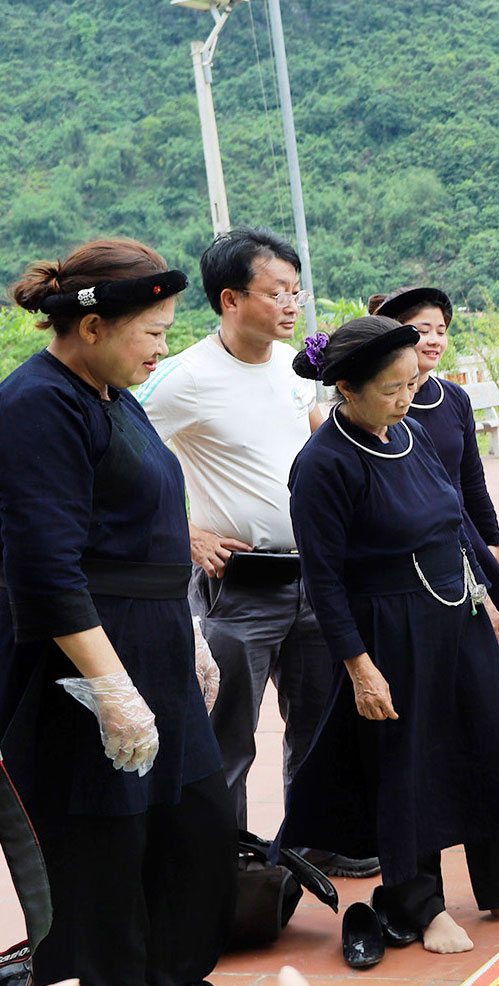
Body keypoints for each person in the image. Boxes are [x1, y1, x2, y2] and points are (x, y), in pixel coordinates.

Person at [278, 317, 499, 959]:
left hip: (456, 614)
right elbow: (323, 582)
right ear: (346, 389)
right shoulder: (323, 464)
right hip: (386, 629)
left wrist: (483, 601)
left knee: (490, 742)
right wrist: (359, 667)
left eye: (411, 384)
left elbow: (452, 523)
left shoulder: (409, 434)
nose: (406, 399)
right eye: (391, 389)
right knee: (409, 766)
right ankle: (422, 904)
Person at [0, 239, 236, 985]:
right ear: (93, 326)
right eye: (154, 333)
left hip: (158, 644)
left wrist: (189, 630)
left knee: (192, 844)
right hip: (87, 673)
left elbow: (150, 524)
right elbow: (43, 563)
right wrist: (113, 691)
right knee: (108, 872)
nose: (162, 350)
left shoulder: (116, 395)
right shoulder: (37, 404)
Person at [132, 228, 376, 874]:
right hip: (238, 585)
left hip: (313, 578)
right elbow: (121, 445)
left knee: (318, 728)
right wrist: (187, 533)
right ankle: (222, 870)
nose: (292, 304)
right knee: (226, 736)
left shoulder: (296, 368)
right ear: (231, 299)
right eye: (277, 292)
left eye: (296, 291)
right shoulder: (182, 377)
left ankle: (313, 849)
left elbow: (319, 443)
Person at [369, 286, 499, 608]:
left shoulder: (454, 398)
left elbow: (472, 480)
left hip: (462, 536)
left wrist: (492, 542)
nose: (434, 340)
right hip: (403, 547)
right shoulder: (378, 405)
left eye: (441, 331)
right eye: (422, 331)